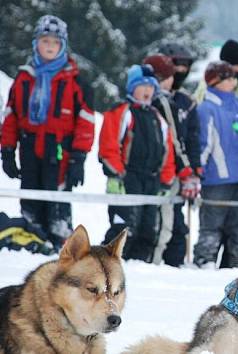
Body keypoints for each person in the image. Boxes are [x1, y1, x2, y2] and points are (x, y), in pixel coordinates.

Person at [1, 15, 94, 250]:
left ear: (63, 45)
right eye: (45, 41)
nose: (50, 46)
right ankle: (33, 239)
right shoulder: (24, 77)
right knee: (31, 199)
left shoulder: (75, 80)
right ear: (36, 44)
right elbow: (11, 116)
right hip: (29, 146)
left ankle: (61, 244)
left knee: (57, 203)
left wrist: (79, 157)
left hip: (59, 149)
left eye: (55, 42)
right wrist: (8, 150)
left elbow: (85, 121)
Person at [99, 64, 176, 262]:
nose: (147, 91)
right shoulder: (122, 112)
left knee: (148, 232)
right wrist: (117, 175)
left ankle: (141, 269)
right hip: (128, 179)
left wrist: (166, 181)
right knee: (123, 230)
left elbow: (168, 152)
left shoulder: (158, 118)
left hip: (152, 181)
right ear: (132, 88)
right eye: (142, 86)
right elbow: (109, 146)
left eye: (151, 87)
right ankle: (106, 266)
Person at [194, 61, 238, 268]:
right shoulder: (206, 108)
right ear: (214, 82)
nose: (232, 81)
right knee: (211, 225)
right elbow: (204, 144)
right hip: (216, 179)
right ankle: (205, 263)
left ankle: (237, 266)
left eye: (233, 77)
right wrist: (196, 172)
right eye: (227, 78)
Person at [143, 54, 201, 266]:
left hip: (167, 172)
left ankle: (164, 265)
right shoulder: (161, 102)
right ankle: (153, 264)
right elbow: (175, 141)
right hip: (163, 173)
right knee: (162, 225)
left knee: (170, 224)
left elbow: (183, 140)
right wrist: (187, 170)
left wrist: (190, 170)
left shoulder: (176, 101)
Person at [157, 42, 202, 267]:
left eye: (186, 66)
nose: (181, 71)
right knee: (157, 223)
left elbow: (193, 138)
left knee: (176, 224)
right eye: (176, 66)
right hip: (157, 170)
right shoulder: (153, 98)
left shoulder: (187, 102)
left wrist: (194, 171)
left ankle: (173, 266)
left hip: (180, 172)